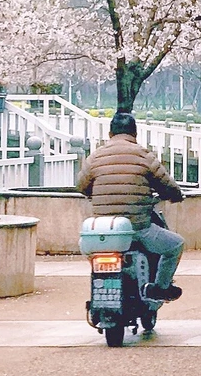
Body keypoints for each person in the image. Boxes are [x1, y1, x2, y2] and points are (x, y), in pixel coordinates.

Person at [77, 111, 186, 300]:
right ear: (135, 134)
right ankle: (160, 288)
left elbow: (81, 186)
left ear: (110, 134)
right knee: (175, 245)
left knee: (88, 248)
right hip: (138, 228)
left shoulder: (95, 157)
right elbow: (167, 185)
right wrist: (176, 196)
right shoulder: (144, 155)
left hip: (104, 230)